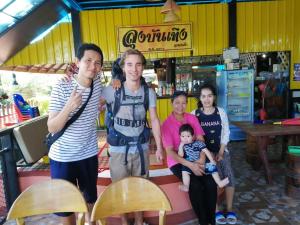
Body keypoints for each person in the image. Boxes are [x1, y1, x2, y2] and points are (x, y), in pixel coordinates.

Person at [102, 49, 163, 225]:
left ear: (143, 67)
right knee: (120, 189)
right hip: (119, 149)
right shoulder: (112, 91)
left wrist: (159, 147)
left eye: (138, 64)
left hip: (141, 148)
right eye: (129, 64)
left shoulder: (148, 92)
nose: (134, 69)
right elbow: (89, 99)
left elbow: (154, 119)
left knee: (141, 188)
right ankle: (124, 222)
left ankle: (139, 221)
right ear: (122, 68)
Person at [47, 43, 103, 225]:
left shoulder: (98, 83)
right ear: (77, 62)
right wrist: (69, 107)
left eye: (97, 62)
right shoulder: (62, 87)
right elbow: (52, 127)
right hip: (63, 157)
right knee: (66, 210)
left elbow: (120, 66)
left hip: (88, 154)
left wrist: (117, 80)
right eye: (88, 61)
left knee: (90, 201)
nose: (93, 66)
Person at [161, 90, 217, 225]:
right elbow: (170, 152)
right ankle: (203, 221)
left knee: (210, 182)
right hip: (178, 161)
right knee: (195, 185)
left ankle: (212, 219)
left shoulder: (192, 118)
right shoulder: (166, 124)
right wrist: (191, 165)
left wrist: (202, 159)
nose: (181, 106)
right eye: (177, 103)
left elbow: (200, 139)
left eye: (184, 103)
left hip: (199, 156)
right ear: (171, 103)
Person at [191, 83, 237, 225]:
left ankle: (229, 209)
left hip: (221, 150)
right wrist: (206, 155)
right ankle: (215, 210)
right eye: (203, 96)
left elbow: (226, 133)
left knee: (229, 176)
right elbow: (194, 137)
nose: (207, 99)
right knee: (211, 181)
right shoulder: (195, 114)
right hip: (204, 154)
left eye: (209, 96)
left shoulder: (220, 112)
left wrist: (221, 152)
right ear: (200, 98)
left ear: (214, 97)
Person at [178, 124, 229, 192]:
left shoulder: (198, 143)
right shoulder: (183, 146)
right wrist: (181, 146)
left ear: (193, 136)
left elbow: (206, 151)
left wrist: (212, 160)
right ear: (180, 136)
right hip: (190, 164)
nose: (185, 138)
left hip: (201, 162)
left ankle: (219, 182)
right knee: (184, 171)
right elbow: (180, 155)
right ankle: (186, 186)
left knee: (211, 166)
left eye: (188, 136)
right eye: (183, 136)